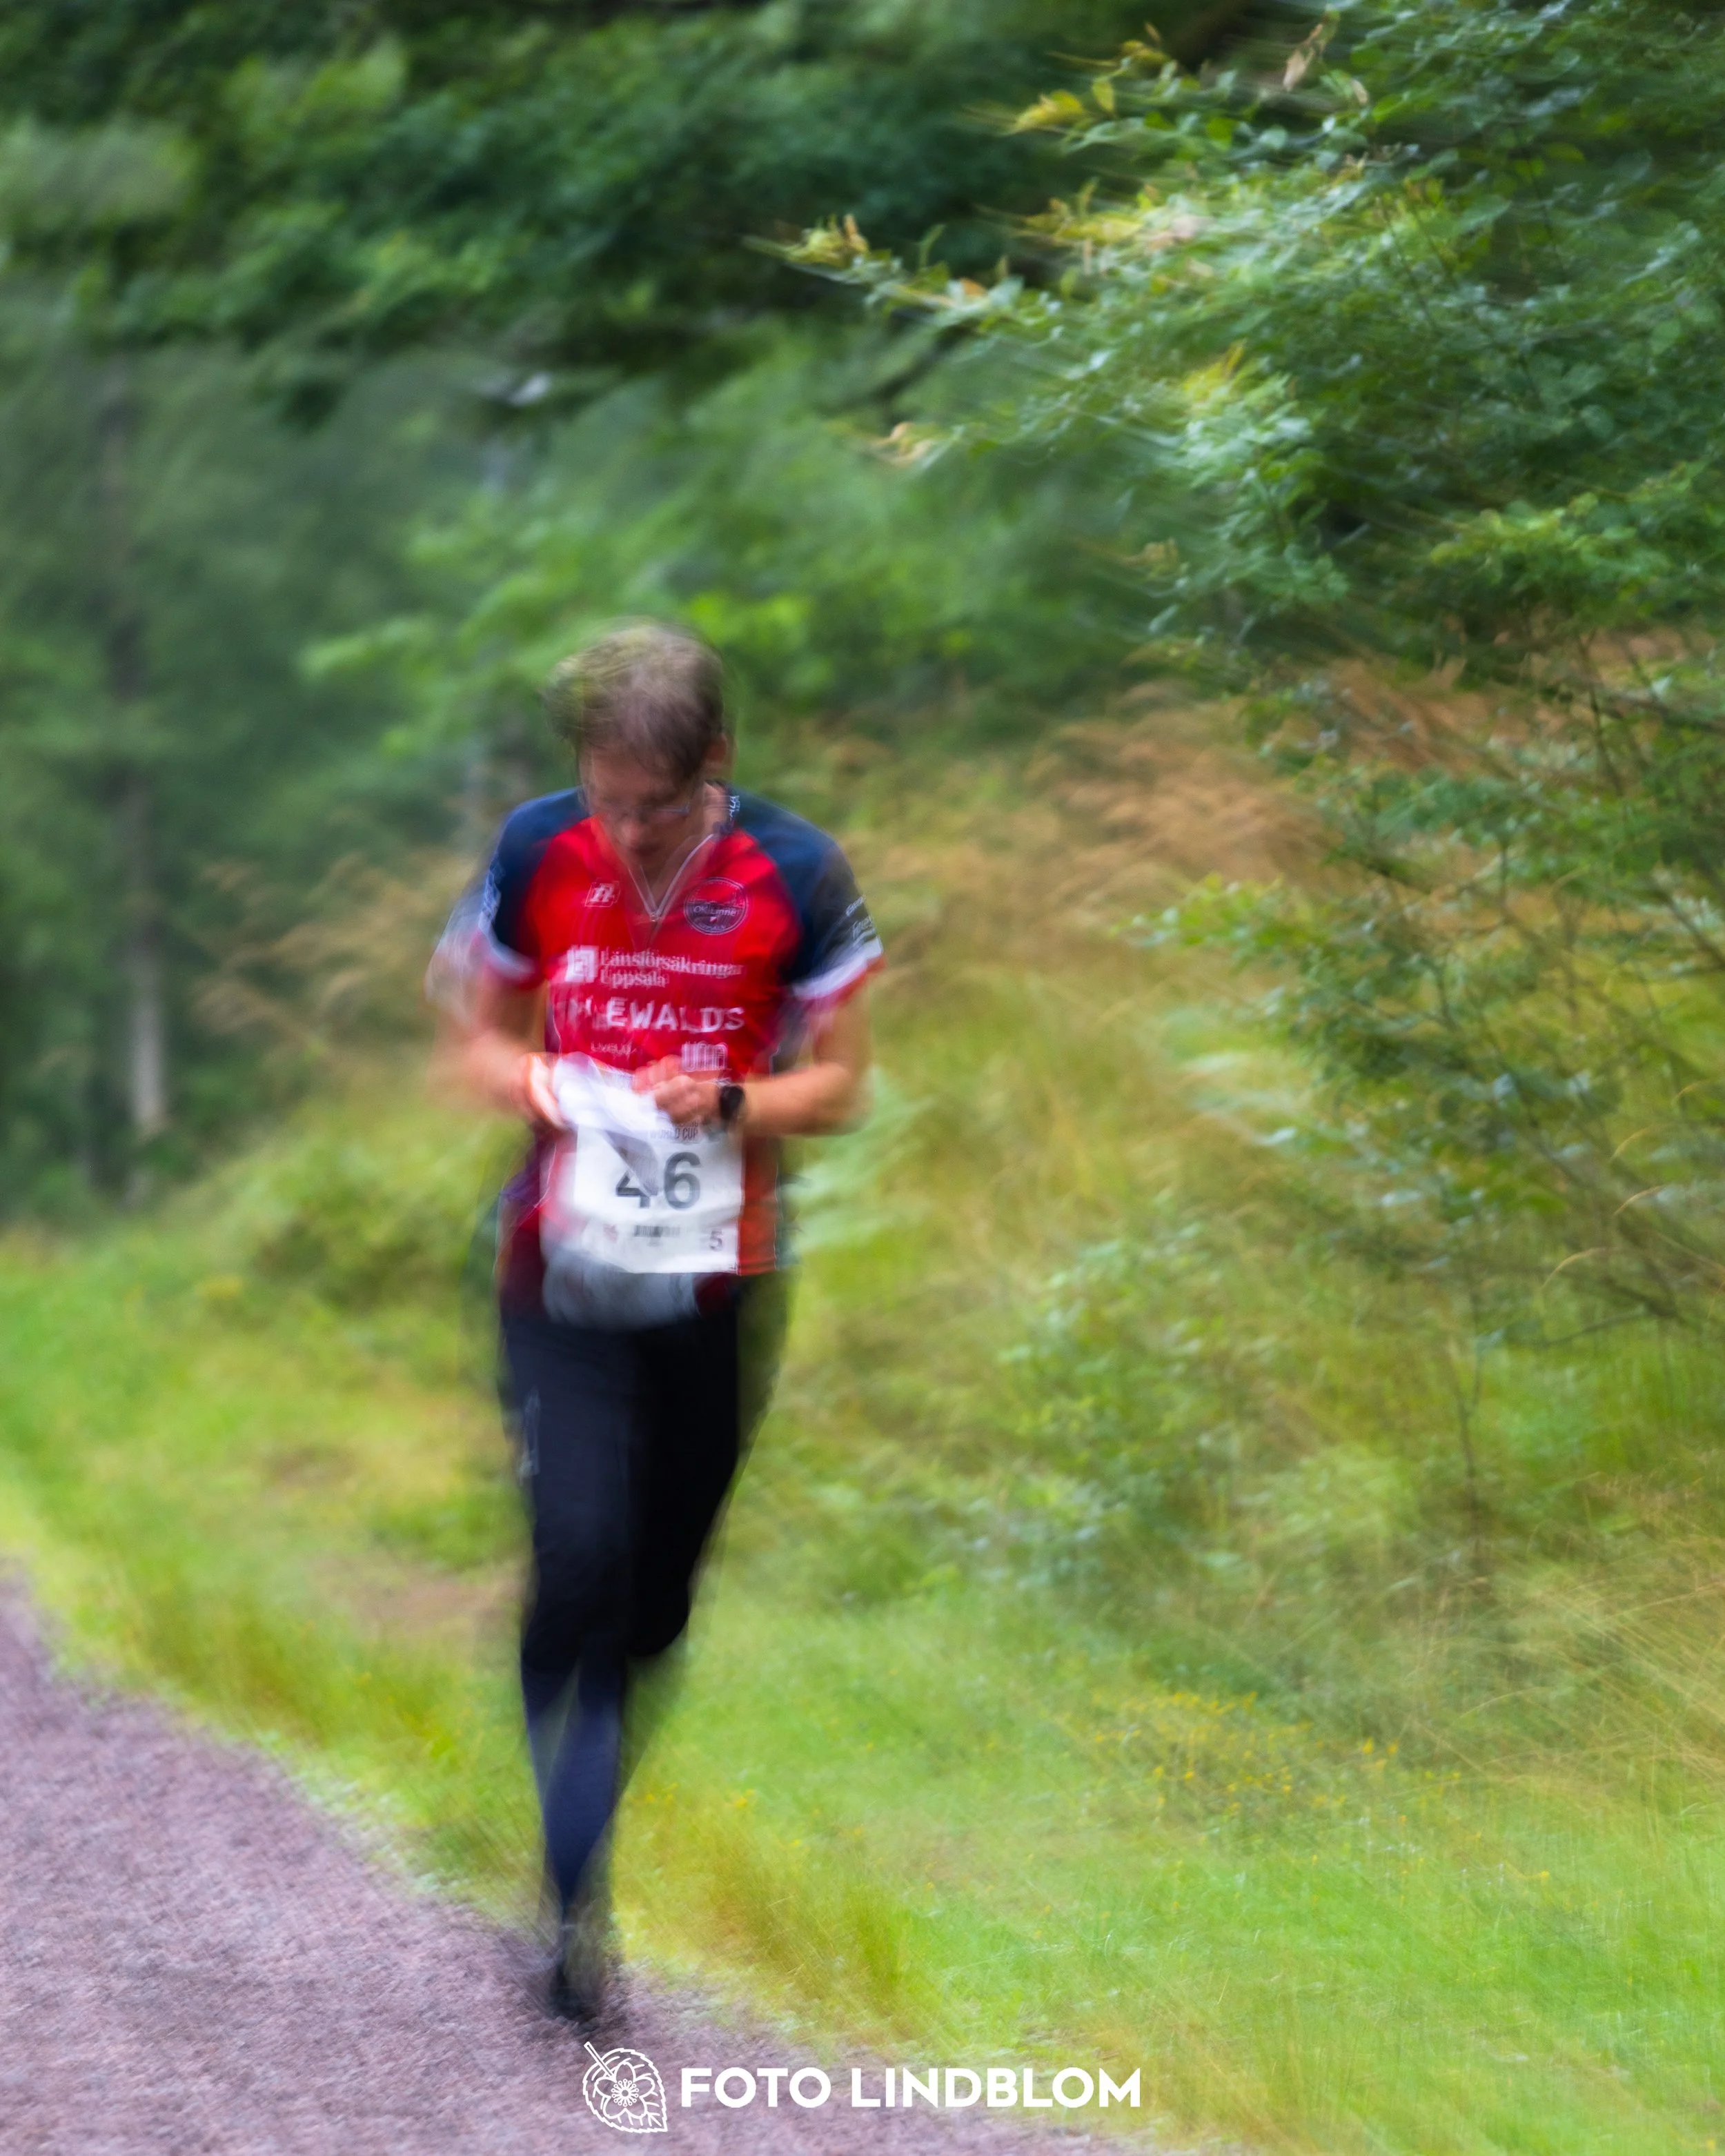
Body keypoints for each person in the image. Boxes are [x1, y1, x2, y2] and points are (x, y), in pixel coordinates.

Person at [432, 622, 881, 2026]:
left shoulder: (795, 873)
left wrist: (734, 1097)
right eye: (604, 799)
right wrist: (544, 1083)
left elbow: (845, 1085)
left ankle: (579, 1833)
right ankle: (576, 1903)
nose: (622, 833)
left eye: (656, 804)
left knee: (653, 1602)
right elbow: (477, 1040)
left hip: (714, 1284)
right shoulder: (534, 849)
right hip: (553, 1273)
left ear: (715, 769)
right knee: (576, 1555)